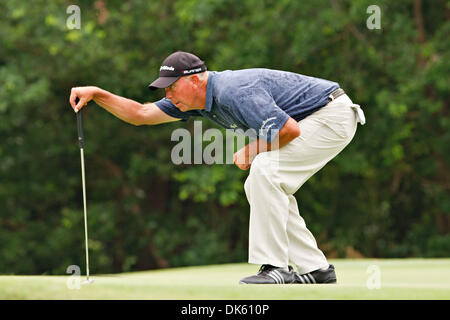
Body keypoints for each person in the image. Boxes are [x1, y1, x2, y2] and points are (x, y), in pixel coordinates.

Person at [69, 51, 365, 284]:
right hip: (317, 118)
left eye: (172, 88)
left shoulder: (236, 91)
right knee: (261, 182)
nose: (168, 95)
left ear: (196, 80)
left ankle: (276, 268)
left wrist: (253, 149)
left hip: (332, 115)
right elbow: (141, 113)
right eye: (165, 89)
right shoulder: (194, 100)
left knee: (264, 168)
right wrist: (98, 93)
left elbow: (288, 131)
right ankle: (316, 269)